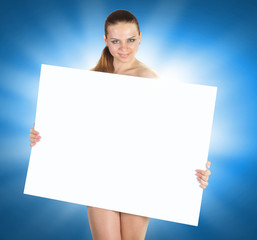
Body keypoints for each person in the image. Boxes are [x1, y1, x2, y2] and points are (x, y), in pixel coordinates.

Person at [29, 9, 211, 240]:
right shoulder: (88, 81)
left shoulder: (151, 81)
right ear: (105, 40)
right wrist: (41, 136)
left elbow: (172, 137)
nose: (124, 48)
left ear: (140, 37)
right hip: (98, 174)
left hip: (139, 176)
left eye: (131, 40)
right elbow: (73, 132)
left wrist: (195, 166)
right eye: (116, 41)